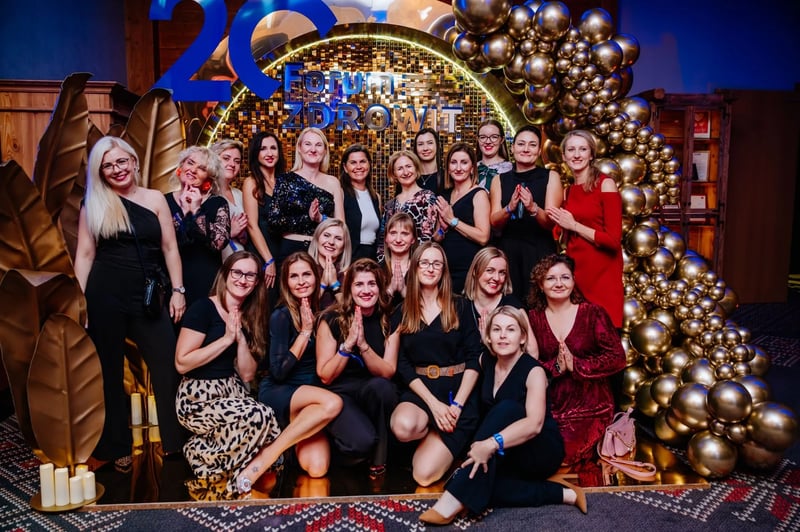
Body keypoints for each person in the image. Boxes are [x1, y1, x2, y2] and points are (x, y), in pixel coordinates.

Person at [74, 136, 186, 471]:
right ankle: (115, 446)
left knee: (167, 365)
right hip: (104, 294)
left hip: (148, 295)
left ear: (134, 161)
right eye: (108, 166)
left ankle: (176, 442)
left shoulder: (155, 199)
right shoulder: (93, 203)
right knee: (107, 371)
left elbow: (170, 248)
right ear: (101, 173)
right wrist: (79, 303)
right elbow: (85, 254)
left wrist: (178, 290)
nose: (117, 169)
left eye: (121, 161)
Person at [419, 306, 585, 526]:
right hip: (507, 451)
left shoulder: (534, 371)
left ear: (523, 337)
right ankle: (565, 494)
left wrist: (490, 443)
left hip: (539, 449)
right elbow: (463, 365)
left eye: (510, 330)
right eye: (496, 330)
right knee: (483, 489)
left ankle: (452, 499)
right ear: (488, 337)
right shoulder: (485, 361)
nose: (503, 335)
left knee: (508, 408)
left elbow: (534, 424)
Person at [175, 251, 316, 498]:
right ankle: (201, 456)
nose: (243, 279)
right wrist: (226, 339)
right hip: (197, 397)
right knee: (259, 415)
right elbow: (182, 363)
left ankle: (223, 461)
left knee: (272, 437)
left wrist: (239, 338)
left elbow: (248, 374)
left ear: (256, 282)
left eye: (250, 275)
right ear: (225, 274)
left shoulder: (249, 315)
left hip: (231, 390)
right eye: (238, 272)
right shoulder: (203, 309)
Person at [388, 242, 482, 487]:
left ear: (443, 270)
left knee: (423, 475)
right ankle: (430, 427)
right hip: (422, 391)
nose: (430, 268)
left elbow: (475, 357)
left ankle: (441, 441)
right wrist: (433, 405)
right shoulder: (401, 312)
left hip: (457, 393)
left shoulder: (461, 305)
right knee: (402, 426)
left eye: (436, 264)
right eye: (425, 263)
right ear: (415, 267)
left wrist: (457, 405)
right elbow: (402, 364)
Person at [526, 254, 626, 466]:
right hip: (547, 405)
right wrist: (557, 366)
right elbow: (526, 364)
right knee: (531, 452)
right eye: (551, 278)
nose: (559, 283)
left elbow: (617, 358)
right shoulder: (533, 318)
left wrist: (577, 365)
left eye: (565, 277)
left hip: (591, 407)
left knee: (561, 456)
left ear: (573, 281)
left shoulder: (592, 314)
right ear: (540, 285)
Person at [258, 251, 343, 477]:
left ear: (316, 277)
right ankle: (268, 457)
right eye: (294, 276)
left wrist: (335, 285)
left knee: (317, 468)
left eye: (306, 274)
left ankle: (285, 443)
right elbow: (278, 372)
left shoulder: (322, 310)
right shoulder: (281, 315)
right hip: (282, 390)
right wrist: (305, 332)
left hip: (312, 399)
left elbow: (350, 312)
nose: (301, 281)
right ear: (286, 282)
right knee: (333, 402)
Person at [316, 259, 398, 477]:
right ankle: (343, 444)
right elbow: (325, 376)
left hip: (373, 392)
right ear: (349, 289)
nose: (366, 290)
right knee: (362, 443)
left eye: (372, 284)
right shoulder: (331, 318)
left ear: (380, 287)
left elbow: (388, 371)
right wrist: (347, 345)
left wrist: (363, 345)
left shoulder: (390, 318)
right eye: (359, 284)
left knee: (383, 387)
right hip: (340, 394)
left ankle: (379, 458)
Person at [546, 130, 623, 328]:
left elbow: (613, 241)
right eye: (571, 150)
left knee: (603, 334)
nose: (577, 155)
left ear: (591, 154)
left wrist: (574, 225)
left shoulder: (605, 184)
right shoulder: (568, 191)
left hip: (603, 276)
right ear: (564, 156)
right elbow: (564, 237)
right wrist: (560, 227)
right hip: (577, 276)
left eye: (582, 149)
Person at [490, 125, 562, 300]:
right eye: (521, 144)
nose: (526, 149)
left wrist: (533, 208)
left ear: (539, 151)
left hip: (539, 249)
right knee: (510, 302)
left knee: (539, 301)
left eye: (532, 145)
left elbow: (550, 223)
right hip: (508, 250)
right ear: (513, 148)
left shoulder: (550, 177)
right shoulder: (499, 179)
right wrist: (509, 208)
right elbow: (494, 222)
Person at [267, 127, 345, 264]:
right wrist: (307, 218)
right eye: (308, 144)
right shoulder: (285, 180)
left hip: (322, 252)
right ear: (299, 148)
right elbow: (273, 223)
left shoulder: (333, 182)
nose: (313, 149)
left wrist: (320, 218)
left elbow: (341, 226)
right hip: (291, 249)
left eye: (318, 145)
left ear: (325, 150)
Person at [165, 146, 230, 307]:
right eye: (190, 163)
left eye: (202, 168)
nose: (193, 170)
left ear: (209, 179)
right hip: (170, 283)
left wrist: (195, 211)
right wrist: (182, 213)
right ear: (181, 166)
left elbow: (220, 242)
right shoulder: (163, 201)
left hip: (205, 282)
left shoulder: (217, 203)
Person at [433, 143, 490, 293]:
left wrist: (452, 221)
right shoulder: (445, 195)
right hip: (445, 270)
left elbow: (483, 237)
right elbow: (437, 237)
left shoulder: (478, 194)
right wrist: (442, 230)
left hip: (469, 269)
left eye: (464, 162)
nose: (458, 168)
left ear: (472, 168)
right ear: (448, 167)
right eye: (453, 162)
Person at [463, 247, 535, 356]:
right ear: (475, 271)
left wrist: (488, 341)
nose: (496, 278)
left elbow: (533, 353)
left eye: (502, 273)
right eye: (490, 270)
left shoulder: (512, 305)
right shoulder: (462, 306)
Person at [377, 150, 438, 262]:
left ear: (416, 168)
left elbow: (427, 236)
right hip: (392, 263)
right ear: (394, 174)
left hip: (417, 262)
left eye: (409, 166)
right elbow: (382, 239)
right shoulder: (390, 205)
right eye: (400, 168)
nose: (405, 172)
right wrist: (382, 263)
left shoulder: (427, 198)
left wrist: (415, 263)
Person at [242, 131, 284, 292]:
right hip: (262, 253)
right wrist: (269, 260)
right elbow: (251, 225)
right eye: (263, 149)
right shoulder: (251, 182)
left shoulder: (284, 182)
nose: (269, 153)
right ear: (256, 153)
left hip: (283, 252)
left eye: (273, 148)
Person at [340, 144, 381, 261]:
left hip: (373, 258)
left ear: (369, 164)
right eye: (353, 163)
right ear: (345, 167)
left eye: (362, 161)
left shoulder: (376, 197)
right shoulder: (341, 194)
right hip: (349, 259)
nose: (358, 166)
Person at [211, 139, 248, 261]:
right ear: (214, 160)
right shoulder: (206, 195)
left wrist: (243, 235)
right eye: (226, 158)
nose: (232, 164)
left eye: (237, 161)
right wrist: (229, 231)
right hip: (216, 263)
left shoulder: (240, 194)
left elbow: (246, 236)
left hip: (239, 262)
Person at [308, 218, 351, 310]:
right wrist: (323, 284)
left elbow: (349, 310)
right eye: (326, 235)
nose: (331, 242)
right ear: (317, 238)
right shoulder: (305, 268)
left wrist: (334, 284)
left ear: (344, 245)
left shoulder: (348, 273)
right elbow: (303, 308)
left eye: (338, 238)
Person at [381, 212, 417, 307]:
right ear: (386, 238)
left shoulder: (421, 269)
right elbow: (373, 310)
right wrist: (390, 289)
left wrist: (404, 290)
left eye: (404, 234)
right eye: (393, 233)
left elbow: (427, 306)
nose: (398, 240)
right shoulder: (377, 270)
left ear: (413, 239)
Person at [476, 119, 512, 192]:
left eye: (494, 137)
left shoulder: (511, 170)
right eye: (483, 137)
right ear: (477, 139)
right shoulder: (469, 169)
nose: (488, 141)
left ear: (502, 140)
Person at [414, 127, 443, 194]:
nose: (425, 148)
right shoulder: (409, 177)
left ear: (437, 145)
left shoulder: (447, 178)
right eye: (420, 144)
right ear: (416, 148)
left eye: (430, 143)